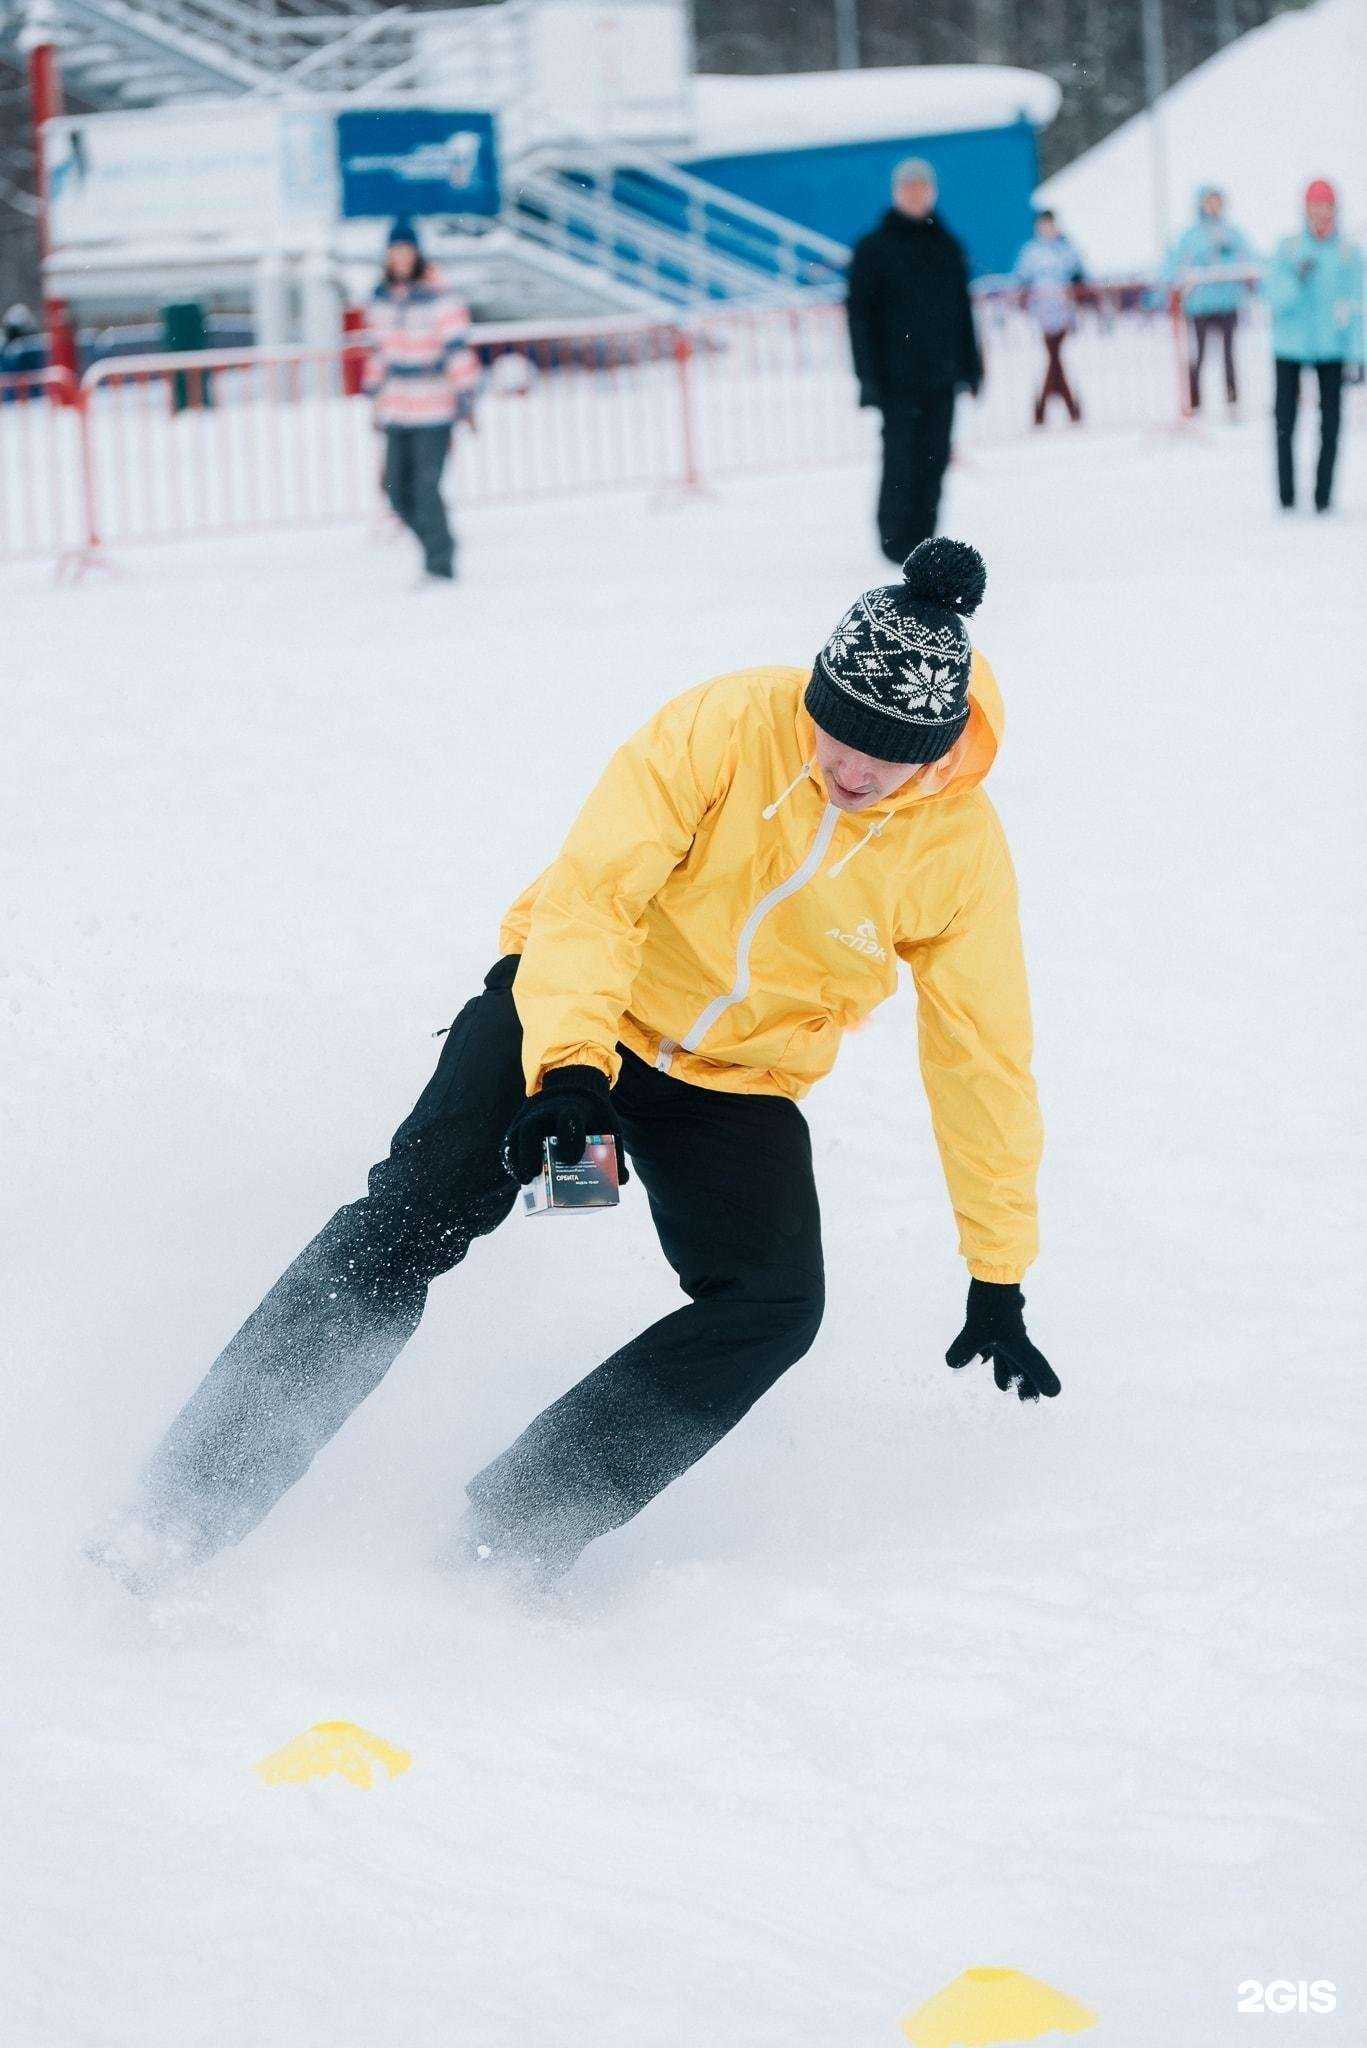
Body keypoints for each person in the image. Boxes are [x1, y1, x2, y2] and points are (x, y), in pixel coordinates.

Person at [91, 538, 1057, 1599]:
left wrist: (996, 1265)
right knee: (408, 1217)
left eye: (885, 753)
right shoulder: (724, 723)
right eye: (837, 731)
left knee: (773, 1303)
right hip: (575, 1007)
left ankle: (518, 1524)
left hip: (733, 1077)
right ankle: (178, 1512)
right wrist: (567, 1071)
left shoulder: (958, 850)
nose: (850, 767)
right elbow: (595, 896)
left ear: (939, 747)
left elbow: (981, 1052)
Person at [847, 161, 983, 565]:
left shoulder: (947, 245)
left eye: (922, 187)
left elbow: (962, 311)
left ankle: (924, 541)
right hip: (895, 379)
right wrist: (867, 376)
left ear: (934, 192)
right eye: (908, 187)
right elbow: (859, 319)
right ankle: (894, 542)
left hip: (941, 376)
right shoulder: (873, 249)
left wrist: (971, 366)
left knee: (935, 457)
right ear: (895, 193)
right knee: (901, 458)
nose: (915, 194)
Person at [366, 217, 479, 582]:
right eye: (393, 252)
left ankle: (439, 562)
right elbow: (380, 354)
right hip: (398, 408)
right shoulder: (382, 300)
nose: (399, 259)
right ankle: (439, 543)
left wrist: (466, 396)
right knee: (395, 489)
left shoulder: (439, 297)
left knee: (426, 488)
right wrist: (375, 397)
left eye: (405, 251)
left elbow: (458, 351)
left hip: (433, 407)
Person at [1266, 180, 1363, 513]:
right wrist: (1297, 278)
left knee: (1332, 423)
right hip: (1290, 348)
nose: (1321, 214)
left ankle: (1323, 497)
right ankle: (1286, 497)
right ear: (1305, 210)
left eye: (1327, 206)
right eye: (1315, 207)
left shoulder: (1348, 254)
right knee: (1284, 422)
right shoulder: (1288, 249)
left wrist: (1359, 354)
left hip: (1331, 348)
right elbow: (1274, 299)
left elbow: (1357, 306)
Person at [1164, 186, 1258, 414]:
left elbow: (1249, 260)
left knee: (1229, 354)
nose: (1213, 206)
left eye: (1217, 201)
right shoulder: (1190, 235)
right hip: (1200, 307)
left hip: (1228, 303)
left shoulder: (1232, 233)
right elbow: (1175, 265)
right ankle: (1194, 401)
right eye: (1209, 201)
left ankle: (1232, 400)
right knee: (1199, 354)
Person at [1013, 210, 1086, 426]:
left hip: (1063, 311)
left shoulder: (1067, 249)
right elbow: (1021, 279)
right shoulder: (1031, 252)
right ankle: (1068, 407)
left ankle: (1043, 409)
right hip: (1043, 313)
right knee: (1054, 358)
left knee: (1054, 358)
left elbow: (1080, 276)